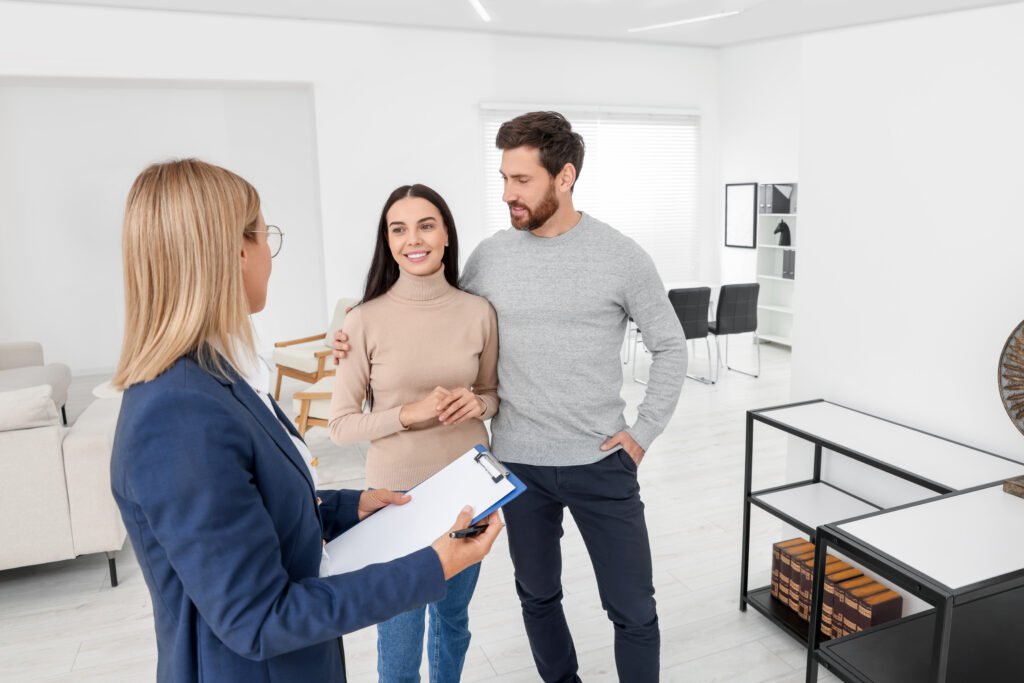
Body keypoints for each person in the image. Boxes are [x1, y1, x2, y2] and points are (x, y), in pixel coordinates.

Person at [109, 159, 502, 683]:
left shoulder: (223, 377)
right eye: (264, 234)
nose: (270, 255)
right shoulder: (178, 413)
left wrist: (348, 505)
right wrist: (432, 566)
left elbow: (252, 507)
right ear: (235, 251)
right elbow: (258, 619)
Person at [334, 112, 687, 682]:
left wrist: (641, 436)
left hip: (602, 462)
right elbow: (435, 314)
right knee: (538, 598)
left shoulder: (621, 256)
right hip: (515, 466)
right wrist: (349, 333)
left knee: (633, 610)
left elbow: (671, 347)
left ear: (564, 176)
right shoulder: (492, 257)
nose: (507, 195)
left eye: (521, 181)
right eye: (503, 178)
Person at [328, 183, 499, 683]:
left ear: (446, 234)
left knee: (453, 620)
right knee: (400, 633)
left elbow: (492, 392)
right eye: (398, 229)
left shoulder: (478, 312)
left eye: (426, 225)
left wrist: (479, 402)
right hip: (396, 500)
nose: (413, 239)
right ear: (388, 241)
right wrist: (410, 413)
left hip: (469, 489)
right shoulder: (361, 321)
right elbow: (339, 426)